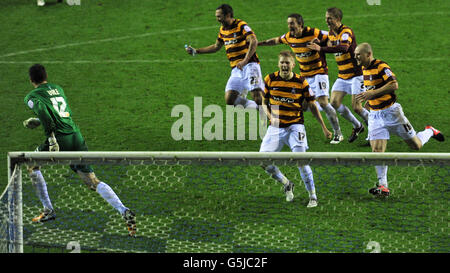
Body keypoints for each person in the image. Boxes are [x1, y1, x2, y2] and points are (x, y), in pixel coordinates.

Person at [23, 64, 137, 237]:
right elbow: (59, 113)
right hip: (76, 136)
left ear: (31, 79)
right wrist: (38, 121)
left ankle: (48, 210)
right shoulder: (58, 88)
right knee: (91, 180)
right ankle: (123, 210)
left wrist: (51, 137)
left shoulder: (31, 96)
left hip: (59, 138)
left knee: (32, 165)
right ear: (46, 76)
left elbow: (43, 110)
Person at [354, 43, 445, 196]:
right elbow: (371, 88)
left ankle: (429, 131)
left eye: (358, 54)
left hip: (392, 113)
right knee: (377, 151)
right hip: (375, 115)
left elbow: (394, 85)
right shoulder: (363, 68)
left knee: (416, 145)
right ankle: (383, 185)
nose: (355, 56)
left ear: (368, 54)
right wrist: (370, 98)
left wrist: (372, 94)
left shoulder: (381, 66)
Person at [259, 51, 332, 207]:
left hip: (295, 126)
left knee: (301, 161)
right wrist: (270, 116)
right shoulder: (270, 79)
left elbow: (312, 105)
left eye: (287, 63)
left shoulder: (301, 82)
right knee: (263, 161)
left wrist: (324, 127)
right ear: (278, 64)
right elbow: (264, 102)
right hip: (276, 127)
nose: (284, 65)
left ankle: (313, 196)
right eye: (282, 63)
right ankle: (286, 183)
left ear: (293, 65)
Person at [258, 13, 341, 144]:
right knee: (303, 105)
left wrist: (325, 44)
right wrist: (259, 44)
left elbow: (331, 37)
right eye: (288, 23)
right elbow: (275, 41)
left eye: (292, 23)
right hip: (305, 76)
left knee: (323, 102)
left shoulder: (313, 32)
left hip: (319, 73)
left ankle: (338, 133)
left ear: (300, 24)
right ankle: (327, 109)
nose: (289, 26)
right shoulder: (289, 37)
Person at [307, 7, 368, 143]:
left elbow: (343, 47)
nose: (327, 20)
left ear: (338, 19)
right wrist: (320, 42)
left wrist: (321, 48)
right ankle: (357, 126)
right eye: (326, 18)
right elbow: (330, 43)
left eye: (330, 18)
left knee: (357, 107)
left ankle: (374, 132)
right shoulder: (331, 33)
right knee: (334, 102)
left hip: (356, 75)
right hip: (343, 76)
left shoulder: (346, 32)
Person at [185, 4, 263, 109]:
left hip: (250, 65)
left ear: (228, 15)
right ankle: (261, 108)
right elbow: (216, 46)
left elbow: (254, 41)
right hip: (236, 69)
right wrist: (197, 51)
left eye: (219, 16)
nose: (217, 19)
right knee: (230, 99)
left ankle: (276, 117)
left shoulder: (240, 25)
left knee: (258, 97)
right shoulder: (223, 30)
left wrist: (245, 61)